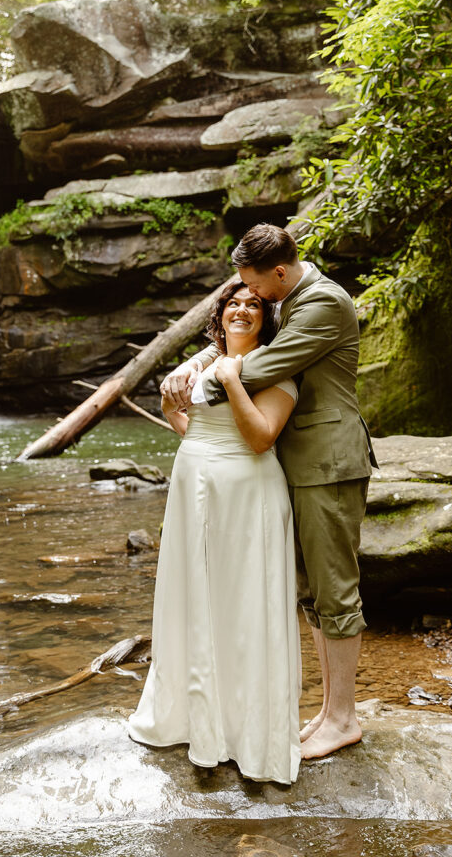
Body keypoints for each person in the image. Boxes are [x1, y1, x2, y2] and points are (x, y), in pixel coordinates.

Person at [161, 223, 375, 761]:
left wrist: (197, 379)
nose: (250, 296)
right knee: (311, 593)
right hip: (293, 464)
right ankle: (329, 711)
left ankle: (344, 718)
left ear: (278, 271)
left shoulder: (322, 304)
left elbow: (262, 364)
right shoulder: (287, 299)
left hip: (327, 460)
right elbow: (237, 336)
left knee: (336, 589)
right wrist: (197, 357)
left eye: (254, 285)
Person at [127, 280, 302, 784]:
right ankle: (195, 719)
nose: (242, 309)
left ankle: (248, 733)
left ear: (266, 318)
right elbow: (199, 429)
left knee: (244, 604)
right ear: (219, 314)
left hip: (249, 494)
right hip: (194, 488)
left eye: (253, 304)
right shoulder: (203, 362)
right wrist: (170, 411)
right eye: (233, 303)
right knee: (196, 598)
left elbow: (259, 437)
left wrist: (230, 378)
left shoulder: (273, 365)